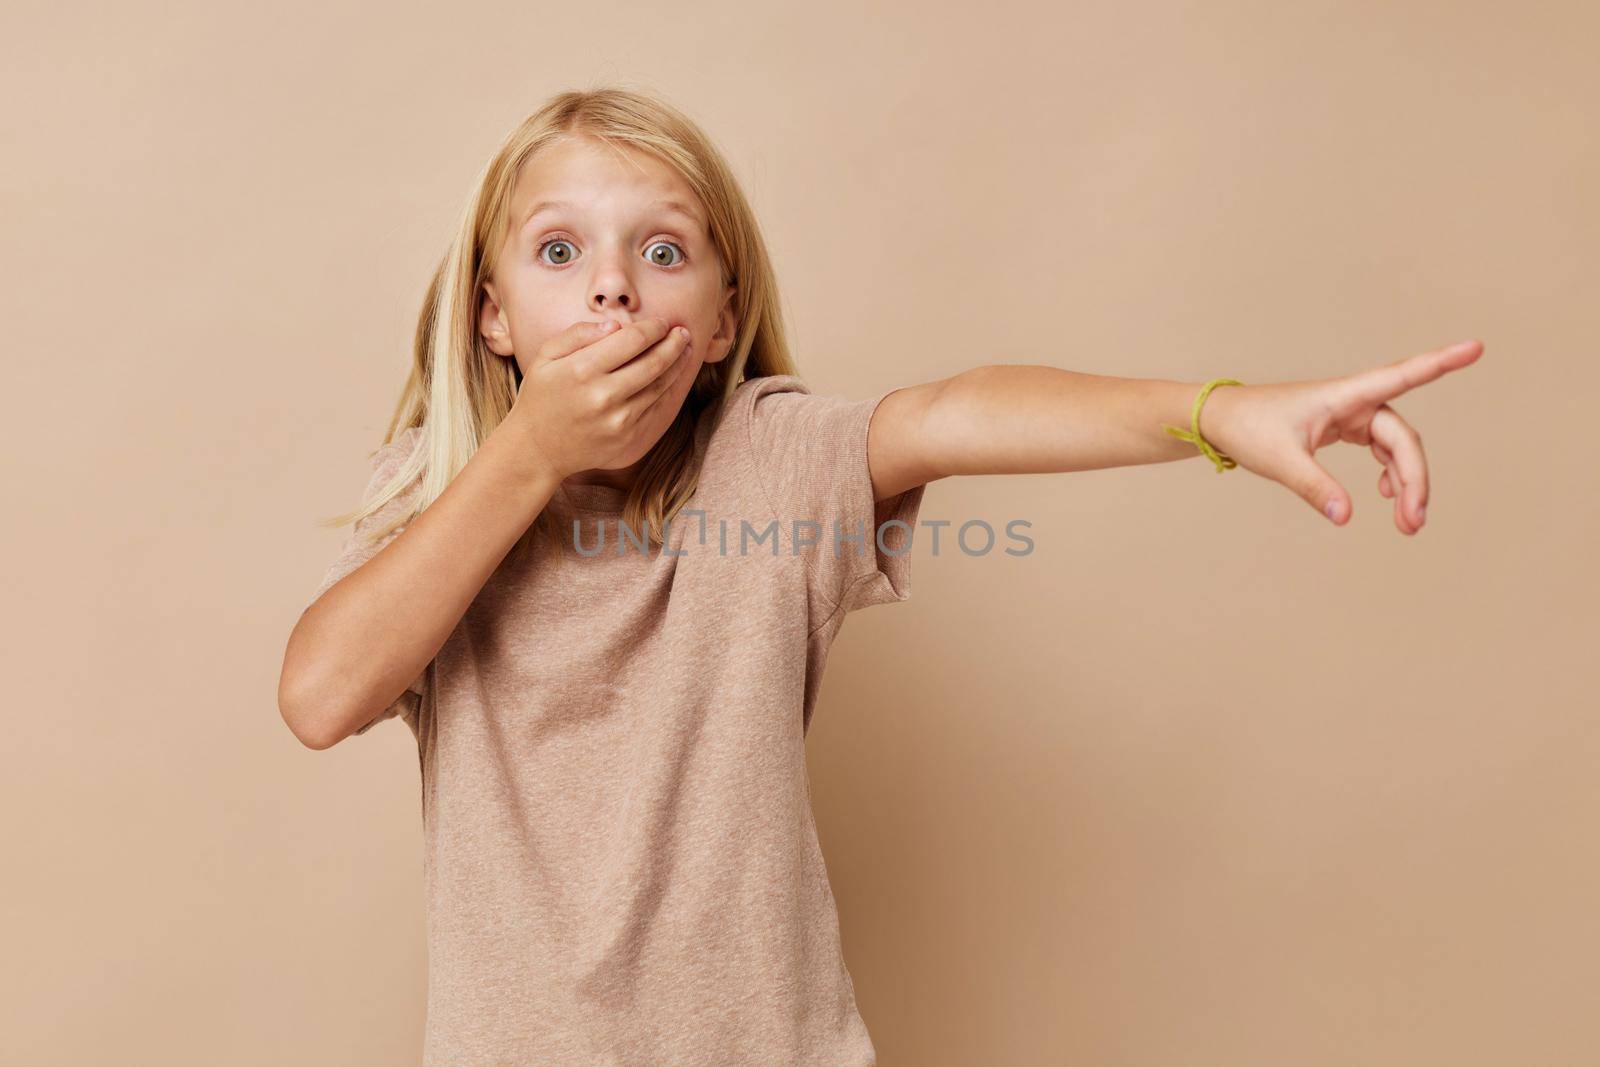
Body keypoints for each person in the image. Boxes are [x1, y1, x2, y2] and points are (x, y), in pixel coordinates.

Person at [277, 87, 1482, 1065]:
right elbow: (321, 693)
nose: (612, 287)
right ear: (492, 316)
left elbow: (956, 413)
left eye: (662, 250)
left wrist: (1220, 412)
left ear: (719, 308)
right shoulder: (441, 501)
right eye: (558, 251)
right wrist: (530, 451)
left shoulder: (770, 455)